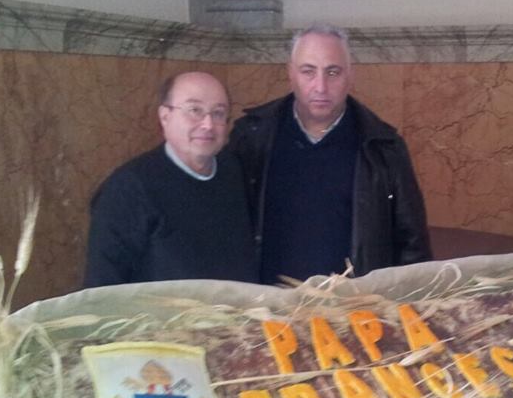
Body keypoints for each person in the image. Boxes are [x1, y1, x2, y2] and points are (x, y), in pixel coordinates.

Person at [229, 24, 431, 284]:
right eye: (308, 71)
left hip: (354, 304)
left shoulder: (383, 147)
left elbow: (412, 243)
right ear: (291, 74)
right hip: (267, 301)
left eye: (333, 72)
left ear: (350, 76)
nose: (320, 86)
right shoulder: (250, 137)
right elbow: (225, 226)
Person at [83, 71, 257, 288]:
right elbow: (103, 284)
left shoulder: (236, 172)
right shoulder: (128, 189)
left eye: (218, 113)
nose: (208, 124)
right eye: (194, 110)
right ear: (165, 116)